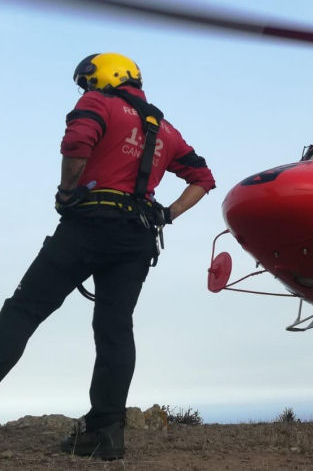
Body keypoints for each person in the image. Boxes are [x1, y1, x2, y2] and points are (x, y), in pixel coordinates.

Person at [0, 53, 215, 460]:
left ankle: (103, 430)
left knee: (23, 311)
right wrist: (166, 214)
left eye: (87, 81)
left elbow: (77, 142)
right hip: (136, 237)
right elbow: (203, 178)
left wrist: (67, 192)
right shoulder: (165, 130)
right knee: (115, 328)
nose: (86, 89)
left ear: (104, 76)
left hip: (88, 224)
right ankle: (106, 433)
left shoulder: (99, 103)